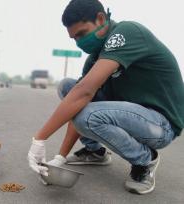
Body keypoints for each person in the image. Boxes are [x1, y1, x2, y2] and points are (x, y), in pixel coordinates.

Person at [28, 0, 184, 195]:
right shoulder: (96, 57)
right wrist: (59, 158)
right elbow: (78, 98)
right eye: (74, 38)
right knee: (69, 87)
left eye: (82, 33)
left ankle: (145, 159)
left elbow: (84, 93)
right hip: (130, 115)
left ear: (101, 18)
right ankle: (95, 152)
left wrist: (39, 139)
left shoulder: (126, 32)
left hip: (161, 125)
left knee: (87, 114)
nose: (79, 42)